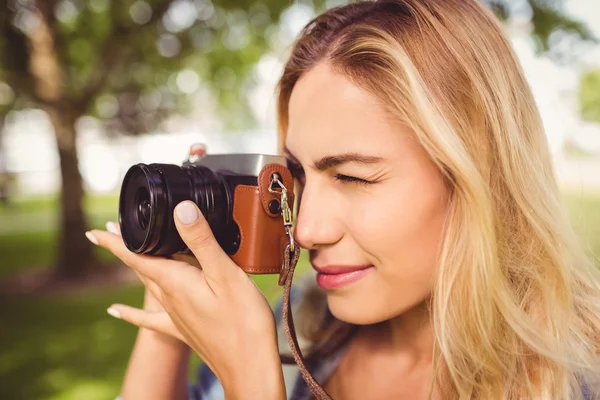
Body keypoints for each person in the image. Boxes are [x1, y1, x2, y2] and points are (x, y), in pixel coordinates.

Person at [86, 0, 600, 398]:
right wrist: (170, 284)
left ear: (477, 175)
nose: (306, 230)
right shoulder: (306, 329)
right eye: (298, 177)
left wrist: (255, 385)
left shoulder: (579, 377)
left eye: (352, 177)